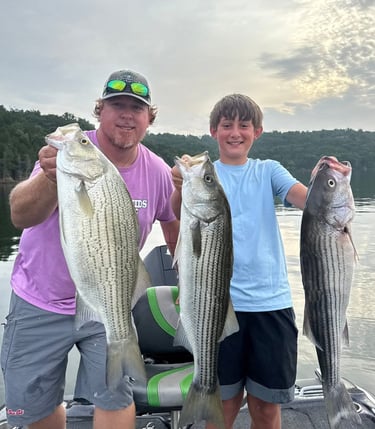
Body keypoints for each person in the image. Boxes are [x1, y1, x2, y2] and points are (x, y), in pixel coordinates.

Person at [1, 69, 180, 429]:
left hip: (108, 303)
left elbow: (172, 223)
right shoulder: (62, 158)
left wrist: (189, 280)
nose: (126, 115)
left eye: (136, 108)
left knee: (116, 394)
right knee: (34, 408)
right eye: (116, 105)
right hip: (40, 301)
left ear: (149, 119)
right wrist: (51, 177)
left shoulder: (158, 171)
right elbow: (20, 214)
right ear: (99, 110)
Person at [171, 94, 307, 429]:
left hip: (270, 305)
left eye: (243, 126)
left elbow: (305, 199)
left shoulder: (268, 171)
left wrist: (328, 181)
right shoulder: (203, 176)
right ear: (213, 131)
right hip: (215, 306)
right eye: (227, 125)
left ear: (257, 131)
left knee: (265, 407)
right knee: (224, 404)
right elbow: (177, 214)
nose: (235, 133)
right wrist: (179, 185)